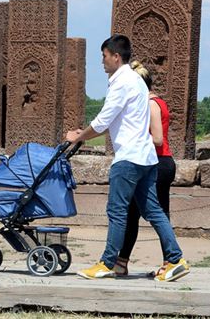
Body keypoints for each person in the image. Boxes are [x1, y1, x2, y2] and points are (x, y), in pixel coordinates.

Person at [66, 34, 189, 282]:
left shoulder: (121, 82)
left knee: (117, 211)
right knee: (153, 210)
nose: (102, 62)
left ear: (116, 56)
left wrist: (78, 137)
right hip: (146, 158)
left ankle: (107, 263)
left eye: (104, 56)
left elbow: (103, 121)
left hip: (129, 158)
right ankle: (176, 259)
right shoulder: (137, 81)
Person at [112, 61, 176, 278]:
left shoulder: (149, 104)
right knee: (133, 214)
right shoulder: (155, 101)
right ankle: (122, 262)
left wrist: (132, 138)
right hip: (154, 162)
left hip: (156, 162)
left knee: (157, 215)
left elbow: (157, 139)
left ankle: (171, 262)